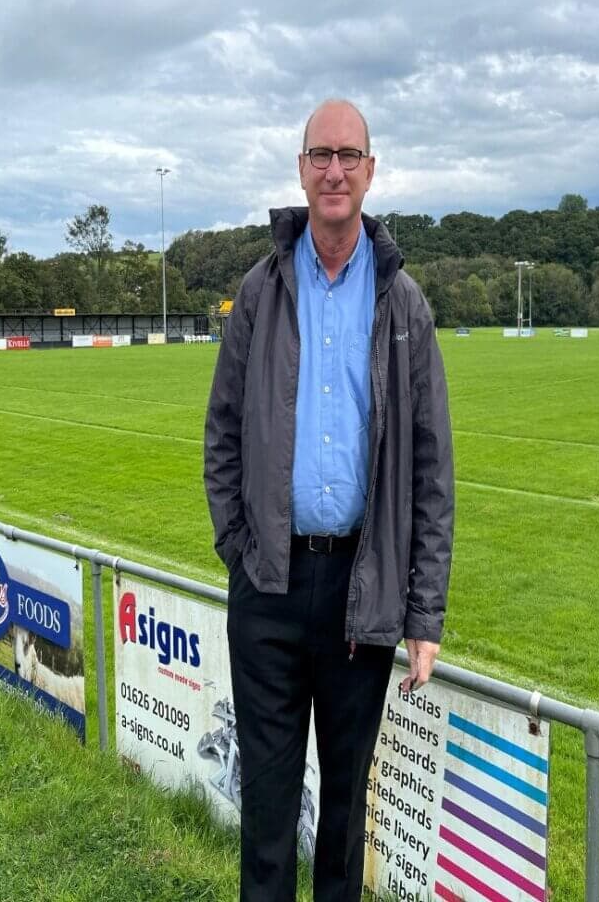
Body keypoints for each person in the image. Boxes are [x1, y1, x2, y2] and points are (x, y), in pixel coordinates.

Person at [204, 99, 454, 902]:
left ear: (371, 171)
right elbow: (223, 433)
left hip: (360, 593)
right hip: (269, 588)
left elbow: (431, 465)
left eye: (350, 155)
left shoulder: (404, 303)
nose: (335, 170)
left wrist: (423, 613)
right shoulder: (261, 289)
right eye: (321, 155)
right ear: (302, 169)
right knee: (268, 813)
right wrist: (238, 546)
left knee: (345, 819)